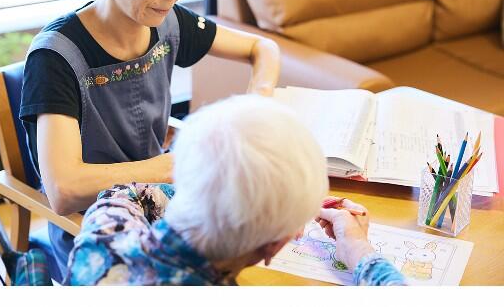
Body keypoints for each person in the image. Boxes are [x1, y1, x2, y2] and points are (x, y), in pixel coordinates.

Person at [19, 0, 280, 277]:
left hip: (162, 204)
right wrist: (167, 167)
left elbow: (264, 48)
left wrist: (257, 104)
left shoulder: (169, 22)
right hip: (94, 231)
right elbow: (64, 190)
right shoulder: (56, 58)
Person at [64, 95, 406, 285]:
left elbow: (127, 193)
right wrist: (358, 249)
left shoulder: (105, 226)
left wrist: (212, 192)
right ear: (274, 246)